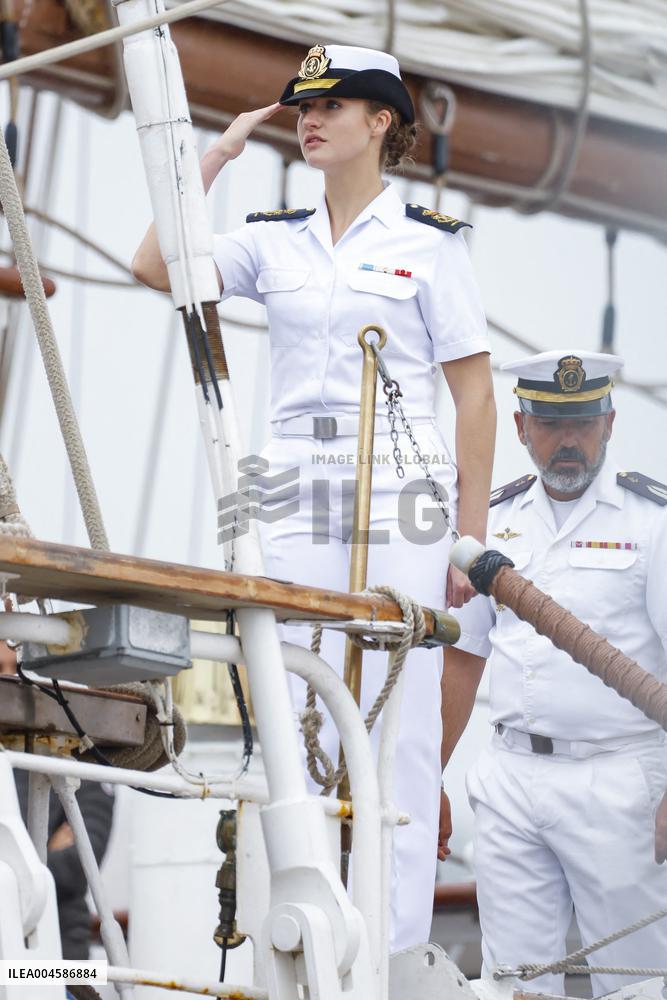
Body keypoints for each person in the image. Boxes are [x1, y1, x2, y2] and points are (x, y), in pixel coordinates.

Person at [133, 43, 496, 950]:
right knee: (286, 693)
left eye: (333, 105)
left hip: (398, 489)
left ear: (382, 123)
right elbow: (154, 265)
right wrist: (211, 158)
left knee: (401, 720)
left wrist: (469, 533)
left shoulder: (431, 247)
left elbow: (475, 394)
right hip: (291, 484)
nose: (310, 117)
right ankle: (294, 922)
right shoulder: (271, 238)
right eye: (303, 106)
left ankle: (389, 944)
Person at [440, 349, 667, 995]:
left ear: (609, 423)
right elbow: (464, 655)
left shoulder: (651, 521)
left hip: (619, 779)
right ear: (519, 428)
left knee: (636, 983)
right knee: (514, 982)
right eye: (549, 424)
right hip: (511, 775)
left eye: (582, 422)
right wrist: (428, 773)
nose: (567, 441)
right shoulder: (492, 522)